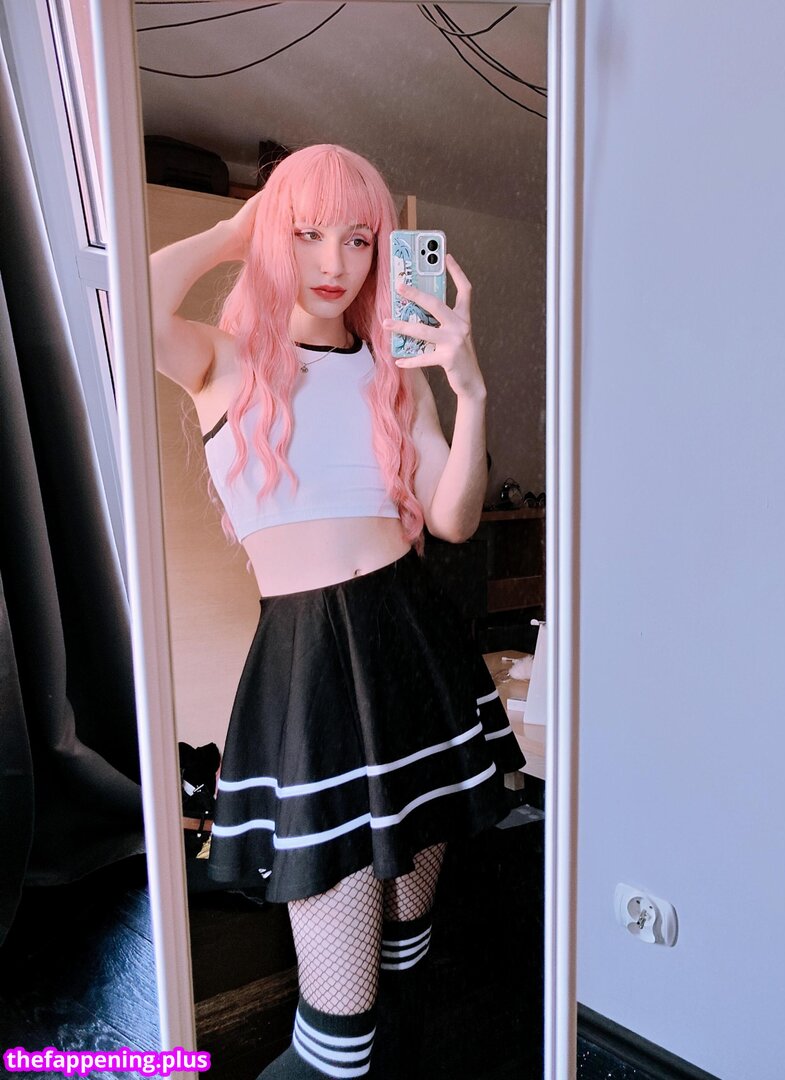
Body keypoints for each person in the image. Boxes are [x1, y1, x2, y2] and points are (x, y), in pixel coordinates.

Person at [150, 144, 525, 1080]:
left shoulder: (392, 370)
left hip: (416, 655)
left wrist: (469, 388)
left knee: (409, 953)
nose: (334, 263)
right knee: (336, 1037)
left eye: (359, 239)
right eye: (308, 234)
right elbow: (122, 309)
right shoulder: (226, 361)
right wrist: (235, 232)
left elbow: (452, 518)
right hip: (312, 673)